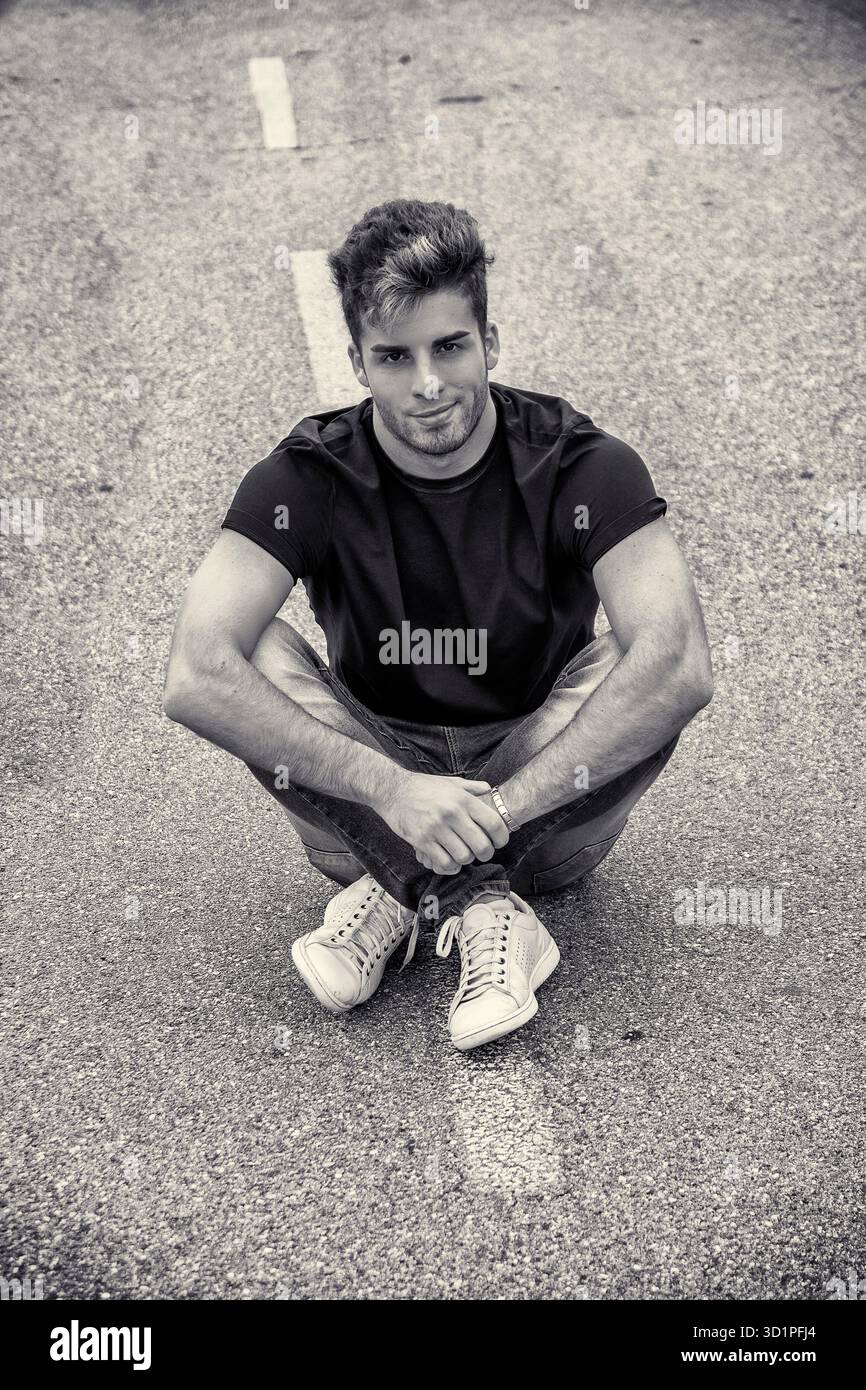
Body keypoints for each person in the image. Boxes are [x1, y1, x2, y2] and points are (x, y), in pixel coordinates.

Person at [162, 198, 713, 1051]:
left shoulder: (583, 463)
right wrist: (394, 793)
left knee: (642, 659)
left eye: (450, 347)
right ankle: (484, 909)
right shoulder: (306, 477)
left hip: (545, 799)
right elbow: (194, 675)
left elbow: (680, 667)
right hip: (370, 788)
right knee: (246, 650)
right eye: (394, 357)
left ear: (489, 343)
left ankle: (402, 893)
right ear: (358, 362)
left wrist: (490, 810)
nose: (427, 384)